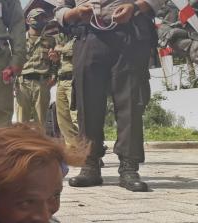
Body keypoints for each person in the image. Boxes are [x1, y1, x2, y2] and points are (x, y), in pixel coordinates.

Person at [55, 0, 163, 192]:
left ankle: (129, 167)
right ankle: (89, 164)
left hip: (130, 34)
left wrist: (136, 7)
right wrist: (74, 13)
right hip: (88, 36)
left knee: (130, 102)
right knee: (86, 102)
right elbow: (59, 9)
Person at [16, 8, 58, 125]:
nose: (40, 20)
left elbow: (55, 61)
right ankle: (22, 144)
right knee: (21, 123)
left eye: (42, 18)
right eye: (37, 18)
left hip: (42, 84)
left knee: (41, 123)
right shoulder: (19, 40)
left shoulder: (50, 41)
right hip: (22, 83)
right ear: (28, 20)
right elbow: (11, 61)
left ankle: (39, 143)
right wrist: (12, 82)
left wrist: (54, 76)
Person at [53, 33, 79, 147]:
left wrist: (60, 49)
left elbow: (74, 50)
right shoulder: (61, 37)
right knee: (63, 119)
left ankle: (87, 151)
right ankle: (72, 147)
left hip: (73, 80)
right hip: (61, 80)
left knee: (77, 117)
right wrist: (55, 59)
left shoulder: (78, 35)